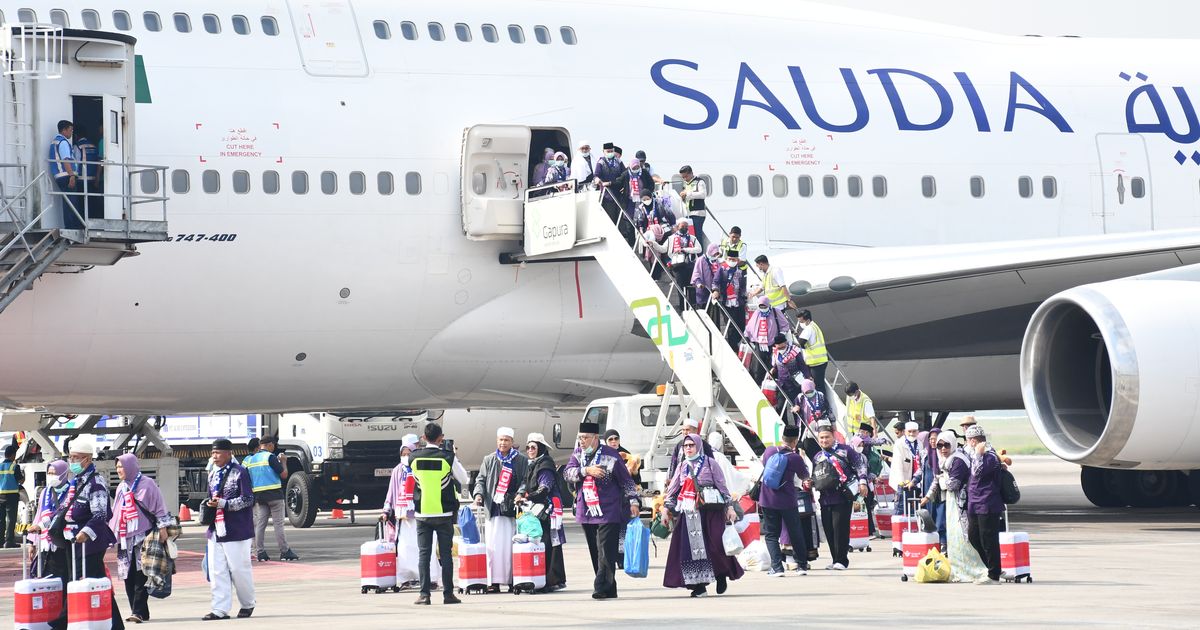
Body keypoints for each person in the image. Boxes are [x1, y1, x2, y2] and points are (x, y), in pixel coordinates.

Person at [563, 419, 640, 600]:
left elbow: (626, 481)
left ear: (595, 437)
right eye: (580, 438)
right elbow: (567, 474)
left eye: (585, 438)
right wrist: (586, 471)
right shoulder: (577, 455)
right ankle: (610, 587)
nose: (582, 441)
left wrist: (634, 501)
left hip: (608, 510)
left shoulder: (611, 455)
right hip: (586, 510)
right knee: (595, 551)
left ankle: (600, 586)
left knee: (606, 549)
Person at [54, 436, 126, 629]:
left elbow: (100, 514)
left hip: (89, 543)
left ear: (88, 459)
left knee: (87, 579)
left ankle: (64, 621)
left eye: (77, 458)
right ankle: (114, 624)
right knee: (94, 582)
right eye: (71, 457)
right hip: (74, 541)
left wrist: (85, 532)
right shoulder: (76, 481)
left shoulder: (96, 483)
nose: (73, 462)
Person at [660, 433, 743, 597]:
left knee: (715, 546)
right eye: (686, 446)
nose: (688, 448)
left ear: (698, 446)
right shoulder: (682, 466)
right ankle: (699, 586)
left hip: (711, 512)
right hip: (690, 513)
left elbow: (722, 487)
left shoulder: (710, 463)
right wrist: (665, 509)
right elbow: (673, 489)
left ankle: (721, 574)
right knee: (691, 550)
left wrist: (730, 508)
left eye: (691, 445)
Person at [410, 422, 469, 605]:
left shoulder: (413, 457)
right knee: (446, 555)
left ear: (423, 438)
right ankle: (448, 594)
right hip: (444, 512)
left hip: (422, 513)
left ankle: (424, 594)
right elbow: (465, 479)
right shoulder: (448, 457)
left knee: (424, 555)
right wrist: (454, 457)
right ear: (441, 438)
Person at [109, 454, 172, 624]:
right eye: (117, 468)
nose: (119, 470)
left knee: (140, 574)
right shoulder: (121, 487)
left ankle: (137, 611)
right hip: (124, 536)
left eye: (121, 466)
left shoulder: (147, 484)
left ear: (130, 466)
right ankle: (140, 611)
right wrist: (111, 534)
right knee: (128, 575)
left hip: (143, 535)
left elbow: (159, 506)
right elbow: (116, 511)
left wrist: (163, 528)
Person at [202, 439, 256, 621]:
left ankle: (248, 603)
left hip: (237, 529)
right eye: (212, 453)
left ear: (228, 453)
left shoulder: (240, 472)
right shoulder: (212, 474)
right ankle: (219, 609)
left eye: (217, 453)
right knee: (217, 570)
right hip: (216, 528)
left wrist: (225, 504)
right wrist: (211, 504)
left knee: (239, 569)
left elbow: (248, 499)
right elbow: (211, 497)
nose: (214, 457)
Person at [473, 426, 528, 593]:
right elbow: (480, 480)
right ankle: (494, 582)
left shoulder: (520, 459)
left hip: (511, 509)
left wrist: (519, 494)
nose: (503, 443)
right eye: (501, 440)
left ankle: (513, 580)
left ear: (512, 442)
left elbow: (525, 480)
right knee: (493, 547)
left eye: (506, 440)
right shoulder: (489, 459)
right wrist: (478, 495)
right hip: (493, 510)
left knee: (511, 546)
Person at [810, 423, 868, 570]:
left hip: (842, 497)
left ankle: (842, 560)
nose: (824, 440)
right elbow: (815, 476)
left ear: (833, 436)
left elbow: (860, 465)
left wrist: (863, 483)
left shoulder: (845, 451)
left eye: (827, 437)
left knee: (840, 528)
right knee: (828, 529)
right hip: (824, 498)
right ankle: (835, 559)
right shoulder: (818, 457)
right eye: (821, 438)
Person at [758, 425, 811, 576]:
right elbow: (804, 476)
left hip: (767, 499)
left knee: (771, 534)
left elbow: (765, 466)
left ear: (782, 438)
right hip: (787, 500)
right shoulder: (795, 458)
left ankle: (777, 567)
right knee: (795, 532)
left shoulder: (769, 451)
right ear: (795, 441)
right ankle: (801, 566)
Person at [523, 433, 567, 592]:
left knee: (549, 543)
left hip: (548, 510)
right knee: (546, 543)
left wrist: (528, 496)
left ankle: (551, 580)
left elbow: (545, 487)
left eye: (533, 447)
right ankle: (550, 578)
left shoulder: (545, 464)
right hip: (539, 508)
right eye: (528, 447)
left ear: (540, 448)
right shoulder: (534, 464)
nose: (530, 450)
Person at [245, 435, 298, 562]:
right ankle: (285, 551)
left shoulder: (251, 460)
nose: (274, 447)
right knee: (278, 524)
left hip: (259, 496)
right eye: (273, 445)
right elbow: (284, 474)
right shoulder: (270, 457)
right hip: (274, 495)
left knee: (260, 525)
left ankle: (260, 552)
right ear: (269, 445)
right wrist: (284, 461)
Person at [964, 425, 1005, 584]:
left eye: (968, 441)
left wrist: (978, 455)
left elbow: (977, 471)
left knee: (988, 539)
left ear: (973, 441)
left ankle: (994, 574)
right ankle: (993, 567)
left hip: (987, 503)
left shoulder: (989, 456)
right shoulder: (976, 454)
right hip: (975, 503)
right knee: (974, 537)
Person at [648, 217, 701, 312]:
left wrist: (685, 249)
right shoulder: (671, 238)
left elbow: (699, 249)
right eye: (682, 226)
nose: (684, 227)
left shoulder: (692, 238)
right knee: (680, 288)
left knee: (692, 288)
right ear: (677, 227)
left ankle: (693, 308)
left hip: (689, 265)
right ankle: (683, 308)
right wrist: (653, 243)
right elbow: (662, 249)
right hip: (677, 266)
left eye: (686, 226)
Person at [743, 296, 790, 383]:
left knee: (772, 365)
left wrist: (781, 334)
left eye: (765, 306)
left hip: (773, 344)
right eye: (761, 306)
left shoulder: (776, 312)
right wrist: (746, 336)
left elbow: (785, 325)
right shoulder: (757, 313)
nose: (763, 308)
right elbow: (750, 326)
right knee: (758, 366)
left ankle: (772, 384)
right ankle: (759, 383)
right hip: (760, 344)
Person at [854, 423, 889, 538]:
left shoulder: (870, 454)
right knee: (860, 505)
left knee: (866, 504)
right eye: (861, 431)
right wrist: (881, 440)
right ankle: (864, 530)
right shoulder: (857, 441)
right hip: (858, 480)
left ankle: (868, 530)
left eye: (865, 432)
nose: (862, 434)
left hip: (867, 481)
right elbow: (869, 441)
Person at [612, 158, 656, 245]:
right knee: (629, 224)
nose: (636, 169)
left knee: (644, 222)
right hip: (630, 202)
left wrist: (647, 193)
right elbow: (618, 183)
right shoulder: (626, 174)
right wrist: (610, 183)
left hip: (643, 201)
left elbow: (651, 184)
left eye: (637, 167)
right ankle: (632, 244)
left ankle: (644, 245)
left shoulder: (644, 172)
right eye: (634, 167)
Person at [49, 119, 83, 229]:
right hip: (66, 176)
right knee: (72, 203)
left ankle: (70, 227)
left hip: (60, 176)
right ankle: (72, 228)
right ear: (64, 130)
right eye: (70, 130)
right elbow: (66, 160)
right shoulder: (63, 142)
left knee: (68, 202)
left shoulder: (56, 141)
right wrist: (72, 175)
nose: (71, 133)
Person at [920, 428, 947, 547]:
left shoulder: (944, 455)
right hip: (928, 491)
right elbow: (921, 471)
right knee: (930, 519)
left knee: (941, 520)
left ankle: (943, 543)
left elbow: (939, 476)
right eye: (930, 438)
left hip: (940, 492)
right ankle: (934, 543)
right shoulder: (926, 454)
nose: (932, 441)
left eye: (935, 438)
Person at [889, 421, 923, 516]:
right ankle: (899, 528)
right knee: (901, 507)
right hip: (903, 481)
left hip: (915, 480)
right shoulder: (899, 443)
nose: (912, 434)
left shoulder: (919, 444)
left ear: (918, 432)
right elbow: (897, 464)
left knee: (914, 508)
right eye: (909, 431)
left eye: (914, 431)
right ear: (905, 431)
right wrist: (902, 483)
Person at [770, 333, 809, 414]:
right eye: (778, 346)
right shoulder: (775, 353)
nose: (780, 348)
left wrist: (808, 376)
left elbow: (802, 364)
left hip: (795, 384)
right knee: (780, 407)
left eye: (782, 345)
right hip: (782, 384)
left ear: (785, 343)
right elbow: (776, 365)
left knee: (796, 408)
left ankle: (798, 426)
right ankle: (785, 425)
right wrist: (773, 369)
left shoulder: (794, 351)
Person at [719, 249, 748, 350]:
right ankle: (732, 347)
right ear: (727, 259)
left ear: (737, 260)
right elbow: (716, 282)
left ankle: (737, 342)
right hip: (727, 301)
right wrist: (715, 290)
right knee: (731, 325)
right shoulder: (722, 269)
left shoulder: (741, 270)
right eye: (730, 259)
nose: (731, 261)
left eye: (733, 259)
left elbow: (743, 286)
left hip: (738, 301)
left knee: (741, 324)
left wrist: (745, 296)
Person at [592, 142, 625, 225]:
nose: (610, 153)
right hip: (607, 194)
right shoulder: (601, 162)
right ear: (603, 151)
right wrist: (597, 180)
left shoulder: (618, 161)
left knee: (620, 217)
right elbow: (596, 175)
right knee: (610, 217)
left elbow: (624, 174)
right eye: (608, 151)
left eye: (611, 151)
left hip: (618, 192)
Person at [796, 310, 829, 390]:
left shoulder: (808, 329)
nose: (800, 323)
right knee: (818, 385)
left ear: (807, 320)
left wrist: (794, 338)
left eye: (801, 321)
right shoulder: (814, 326)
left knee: (818, 386)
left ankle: (823, 401)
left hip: (816, 362)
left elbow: (800, 343)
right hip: (820, 361)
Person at [691, 243, 727, 312]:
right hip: (703, 290)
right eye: (714, 254)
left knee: (714, 314)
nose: (715, 256)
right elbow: (696, 274)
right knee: (702, 312)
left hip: (714, 292)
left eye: (717, 254)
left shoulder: (717, 261)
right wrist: (698, 283)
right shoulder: (701, 260)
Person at [678, 165, 708, 246]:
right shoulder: (686, 184)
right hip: (689, 214)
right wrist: (683, 197)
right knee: (691, 236)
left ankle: (700, 255)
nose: (685, 179)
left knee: (697, 236)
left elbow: (703, 194)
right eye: (683, 177)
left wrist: (687, 193)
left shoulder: (699, 182)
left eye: (686, 176)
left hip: (698, 213)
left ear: (691, 173)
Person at [0, 444, 23, 547]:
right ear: (13, 455)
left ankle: (0, 541)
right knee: (11, 519)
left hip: (0, 495)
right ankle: (9, 541)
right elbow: (21, 480)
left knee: (1, 519)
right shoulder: (15, 466)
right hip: (12, 495)